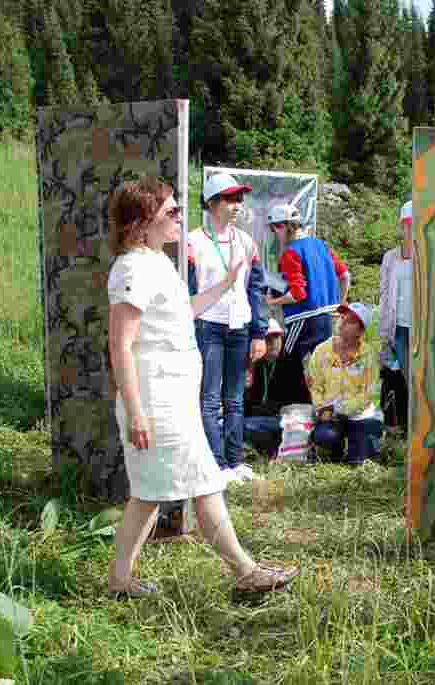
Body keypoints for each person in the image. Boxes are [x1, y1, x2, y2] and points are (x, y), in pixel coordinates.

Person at [106, 176, 299, 599]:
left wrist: (227, 284)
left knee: (150, 494)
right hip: (156, 401)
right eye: (171, 212)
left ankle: (119, 581)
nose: (179, 216)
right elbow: (120, 345)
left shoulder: (156, 262)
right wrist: (137, 412)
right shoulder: (132, 269)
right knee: (202, 483)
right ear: (141, 223)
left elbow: (182, 313)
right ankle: (246, 572)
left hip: (171, 399)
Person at [188, 172, 269, 483]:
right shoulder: (193, 242)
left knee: (235, 398)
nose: (238, 204)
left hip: (240, 327)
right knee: (209, 398)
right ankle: (216, 464)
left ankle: (235, 461)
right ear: (212, 202)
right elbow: (189, 289)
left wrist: (259, 332)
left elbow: (256, 288)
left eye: (240, 198)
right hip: (208, 326)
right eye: (231, 198)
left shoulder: (247, 241)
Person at [266, 203, 351, 406]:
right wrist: (340, 303)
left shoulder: (291, 252)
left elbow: (297, 294)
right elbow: (345, 275)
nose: (274, 233)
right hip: (328, 318)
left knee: (287, 365)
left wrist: (272, 301)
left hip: (303, 319)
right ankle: (320, 409)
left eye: (274, 228)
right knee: (320, 366)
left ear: (285, 226)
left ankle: (282, 412)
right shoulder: (321, 245)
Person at [306, 303, 384, 466]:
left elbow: (370, 393)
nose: (342, 321)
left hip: (361, 416)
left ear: (360, 331)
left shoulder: (369, 355)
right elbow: (315, 385)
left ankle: (359, 448)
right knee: (325, 437)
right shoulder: (322, 350)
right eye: (342, 317)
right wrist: (322, 408)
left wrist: (341, 409)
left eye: (350, 320)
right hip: (330, 414)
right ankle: (334, 448)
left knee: (358, 461)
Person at [378, 200, 414, 433]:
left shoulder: (430, 255)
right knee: (403, 376)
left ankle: (417, 426)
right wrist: (383, 331)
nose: (411, 229)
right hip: (398, 327)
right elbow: (383, 293)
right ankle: (404, 425)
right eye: (408, 224)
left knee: (418, 378)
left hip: (421, 328)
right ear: (402, 226)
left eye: (416, 224)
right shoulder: (391, 257)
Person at [243, 318, 285, 458]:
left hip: (281, 420)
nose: (273, 343)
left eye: (276, 337)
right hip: (255, 419)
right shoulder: (251, 364)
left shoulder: (290, 362)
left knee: (242, 426)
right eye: (268, 339)